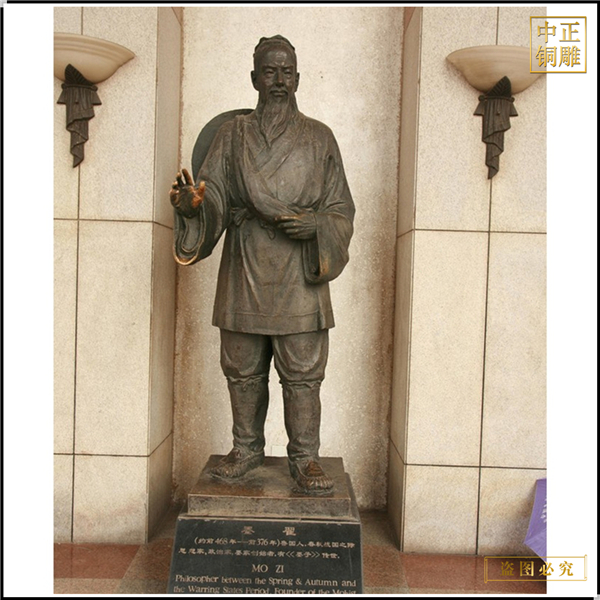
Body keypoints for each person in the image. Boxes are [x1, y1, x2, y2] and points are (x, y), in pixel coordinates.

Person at [170, 35, 354, 493]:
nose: (278, 81)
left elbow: (341, 209)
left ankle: (305, 458)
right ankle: (246, 448)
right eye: (269, 72)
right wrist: (193, 206)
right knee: (242, 369)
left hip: (299, 276)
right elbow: (212, 196)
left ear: (298, 78)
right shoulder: (232, 136)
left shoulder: (319, 138)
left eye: (286, 72)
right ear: (254, 78)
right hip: (245, 266)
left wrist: (317, 225)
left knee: (303, 375)